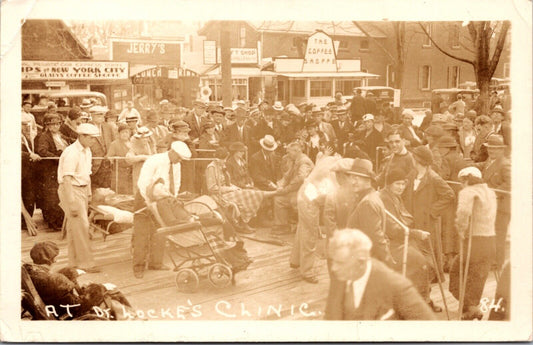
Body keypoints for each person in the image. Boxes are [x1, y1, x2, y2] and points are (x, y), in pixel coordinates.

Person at [324, 229, 437, 320]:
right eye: (333, 261)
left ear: (361, 261)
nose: (333, 268)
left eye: (340, 263)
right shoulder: (340, 276)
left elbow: (428, 329)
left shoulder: (396, 286)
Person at [379, 168, 442, 312]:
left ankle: (421, 298)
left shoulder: (394, 196)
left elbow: (404, 220)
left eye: (403, 184)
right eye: (397, 184)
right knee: (421, 262)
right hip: (391, 243)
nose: (401, 187)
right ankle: (422, 301)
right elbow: (392, 228)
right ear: (389, 184)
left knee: (430, 262)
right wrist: (415, 233)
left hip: (404, 238)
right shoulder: (384, 198)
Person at [133, 141, 192, 279]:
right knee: (142, 234)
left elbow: (175, 183)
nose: (179, 161)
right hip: (144, 197)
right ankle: (138, 267)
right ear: (173, 152)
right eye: (179, 158)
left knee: (160, 232)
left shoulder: (176, 164)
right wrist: (149, 202)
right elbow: (143, 183)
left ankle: (156, 263)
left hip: (164, 201)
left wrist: (172, 201)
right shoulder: (154, 160)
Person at [448, 167, 497, 320]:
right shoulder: (490, 192)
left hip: (474, 242)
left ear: (465, 180)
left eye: (461, 182)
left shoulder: (468, 192)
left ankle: (471, 307)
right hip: (490, 241)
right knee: (477, 279)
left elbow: (463, 213)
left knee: (455, 274)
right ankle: (469, 309)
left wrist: (461, 230)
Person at [403, 146, 455, 279]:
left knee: (427, 248)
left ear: (418, 160)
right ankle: (421, 274)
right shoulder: (412, 174)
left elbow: (449, 195)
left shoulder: (433, 178)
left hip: (426, 219)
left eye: (414, 158)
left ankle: (432, 275)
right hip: (412, 216)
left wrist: (432, 211)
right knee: (417, 247)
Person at [57, 123, 101, 273]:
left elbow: (86, 174)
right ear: (81, 136)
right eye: (91, 138)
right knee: (82, 226)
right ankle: (86, 263)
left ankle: (73, 262)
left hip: (81, 189)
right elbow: (67, 178)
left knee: (73, 227)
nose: (93, 141)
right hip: (71, 190)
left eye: (95, 139)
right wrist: (71, 202)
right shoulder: (72, 152)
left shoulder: (87, 151)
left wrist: (88, 194)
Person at [290, 155, 340, 283]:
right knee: (310, 234)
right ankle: (307, 271)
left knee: (303, 228)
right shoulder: (335, 176)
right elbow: (331, 203)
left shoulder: (330, 160)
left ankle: (295, 260)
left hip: (304, 193)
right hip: (310, 199)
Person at [205, 147, 274, 234]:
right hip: (218, 195)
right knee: (244, 196)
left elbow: (228, 182)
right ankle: (242, 225)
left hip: (227, 191)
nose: (225, 161)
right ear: (218, 159)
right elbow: (212, 188)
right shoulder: (211, 168)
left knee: (247, 193)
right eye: (224, 159)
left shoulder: (221, 165)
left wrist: (234, 187)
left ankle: (244, 222)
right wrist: (230, 188)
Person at [346, 158, 394, 265]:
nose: (353, 182)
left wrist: (388, 262)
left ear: (368, 180)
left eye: (357, 178)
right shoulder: (367, 197)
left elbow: (376, 238)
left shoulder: (367, 203)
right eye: (352, 178)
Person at [475, 134, 510, 270]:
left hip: (501, 205)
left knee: (498, 234)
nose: (491, 151)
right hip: (491, 205)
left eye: (495, 149)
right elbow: (485, 166)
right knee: (491, 233)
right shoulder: (491, 160)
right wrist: (471, 165)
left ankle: (497, 263)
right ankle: (491, 260)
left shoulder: (505, 164)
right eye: (490, 148)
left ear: (501, 149)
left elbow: (511, 183)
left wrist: (492, 192)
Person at [272, 142, 314, 235]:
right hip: (296, 191)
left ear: (296, 151)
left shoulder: (304, 161)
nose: (288, 154)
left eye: (289, 152)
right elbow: (287, 175)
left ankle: (303, 226)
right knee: (278, 199)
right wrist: (280, 185)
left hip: (305, 193)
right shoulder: (294, 160)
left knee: (286, 200)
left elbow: (300, 179)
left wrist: (285, 189)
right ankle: (282, 226)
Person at [36, 114, 68, 230]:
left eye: (58, 124)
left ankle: (60, 220)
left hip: (61, 168)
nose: (55, 126)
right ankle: (53, 222)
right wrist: (57, 157)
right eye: (52, 124)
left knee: (60, 195)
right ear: (47, 126)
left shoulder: (61, 136)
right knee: (52, 196)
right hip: (51, 170)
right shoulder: (44, 137)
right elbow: (42, 150)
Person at [22, 119, 41, 229]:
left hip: (28, 171)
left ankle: (27, 220)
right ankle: (23, 222)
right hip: (20, 171)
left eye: (26, 125)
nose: (25, 127)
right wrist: (29, 155)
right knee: (25, 196)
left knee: (29, 196)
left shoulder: (25, 138)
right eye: (23, 125)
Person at [126, 127, 156, 195]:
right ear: (139, 138)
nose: (145, 139)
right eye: (143, 138)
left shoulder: (151, 145)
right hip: (138, 171)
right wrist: (142, 157)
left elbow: (155, 156)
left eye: (147, 137)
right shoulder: (134, 146)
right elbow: (128, 158)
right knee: (138, 188)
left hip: (150, 171)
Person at [106, 123, 133, 194]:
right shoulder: (114, 144)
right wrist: (114, 158)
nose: (125, 134)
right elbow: (108, 157)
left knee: (130, 193)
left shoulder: (133, 143)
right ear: (119, 134)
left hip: (131, 173)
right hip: (119, 173)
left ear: (130, 133)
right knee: (119, 193)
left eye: (126, 132)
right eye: (122, 132)